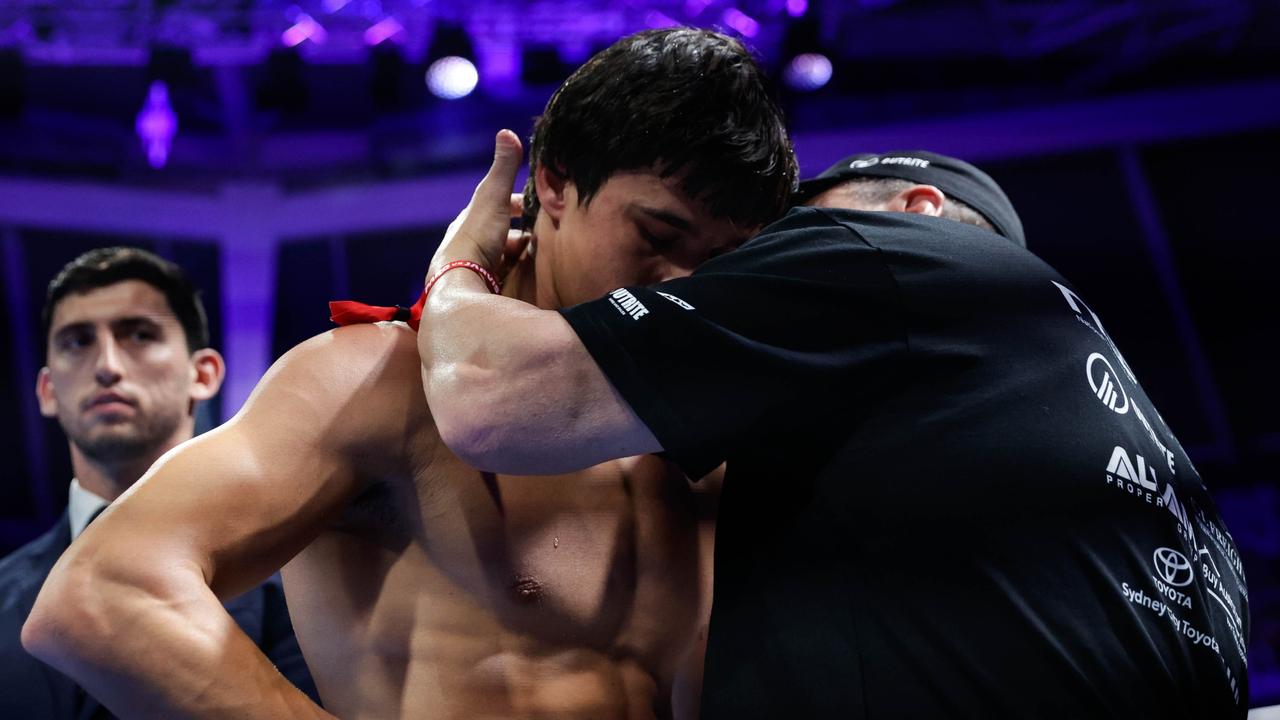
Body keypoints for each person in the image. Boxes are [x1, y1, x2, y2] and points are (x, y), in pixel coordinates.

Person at [22, 28, 797, 719]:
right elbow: (105, 596)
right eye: (657, 233)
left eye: (720, 261)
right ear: (554, 184)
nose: (682, 285)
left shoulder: (705, 428)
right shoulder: (379, 381)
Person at [416, 145, 1251, 718]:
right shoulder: (1140, 461)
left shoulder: (891, 258)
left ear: (919, 208)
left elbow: (488, 394)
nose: (747, 264)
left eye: (788, 233)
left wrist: (462, 259)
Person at [0, 247, 319, 718]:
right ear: (47, 390)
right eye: (77, 341)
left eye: (139, 335)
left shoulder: (296, 594)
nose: (107, 364)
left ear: (203, 374)